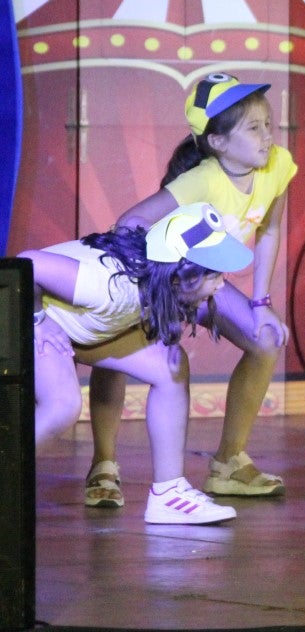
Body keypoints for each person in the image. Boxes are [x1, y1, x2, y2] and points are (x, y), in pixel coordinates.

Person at [84, 73, 296, 507]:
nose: (267, 136)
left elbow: (270, 230)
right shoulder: (202, 180)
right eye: (253, 128)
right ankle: (104, 463)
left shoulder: (277, 167)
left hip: (206, 286)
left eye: (268, 124)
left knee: (265, 338)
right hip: (163, 282)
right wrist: (173, 274)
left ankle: (229, 463)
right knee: (117, 349)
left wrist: (261, 301)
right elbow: (130, 223)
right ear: (217, 142)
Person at [22, 203, 252, 525]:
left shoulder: (154, 282)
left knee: (170, 363)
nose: (221, 286)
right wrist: (37, 319)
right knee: (63, 405)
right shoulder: (109, 283)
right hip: (27, 321)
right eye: (214, 275)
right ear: (183, 274)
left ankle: (169, 495)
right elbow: (25, 264)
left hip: (83, 329)